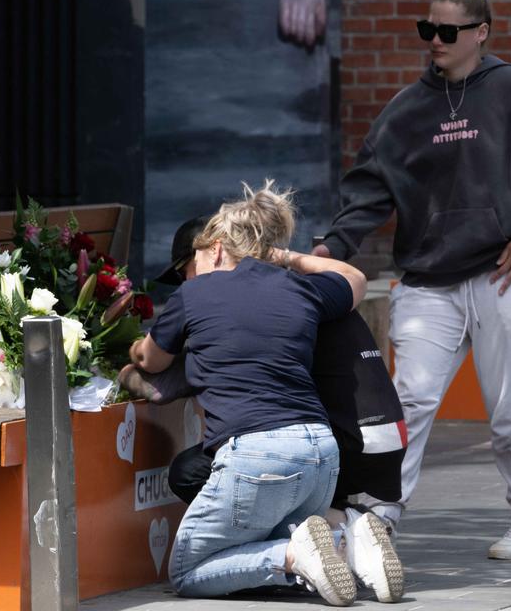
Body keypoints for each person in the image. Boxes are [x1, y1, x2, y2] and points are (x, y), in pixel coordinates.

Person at [312, 0, 511, 560]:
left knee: (509, 412)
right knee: (407, 400)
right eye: (426, 30)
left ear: (480, 32)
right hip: (429, 281)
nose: (434, 41)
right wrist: (333, 247)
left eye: (447, 32)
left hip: (504, 273)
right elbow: (367, 190)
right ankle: (381, 517)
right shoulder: (406, 111)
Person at [124, 215, 407, 603]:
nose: (189, 280)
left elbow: (153, 365)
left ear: (217, 248)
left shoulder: (197, 298)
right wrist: (288, 257)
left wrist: (131, 357)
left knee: (187, 566)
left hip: (266, 452)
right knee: (275, 500)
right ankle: (347, 533)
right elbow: (354, 278)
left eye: (189, 268)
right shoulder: (297, 286)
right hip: (331, 450)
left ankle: (292, 555)